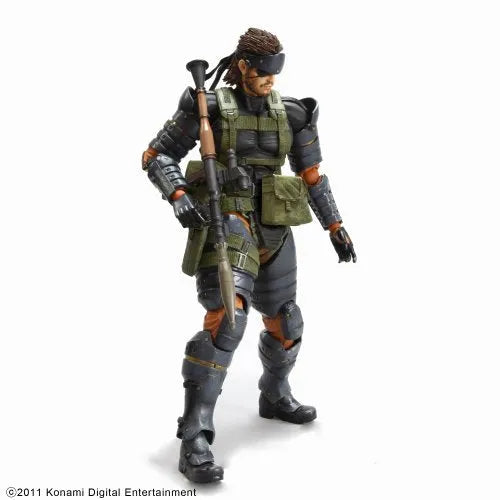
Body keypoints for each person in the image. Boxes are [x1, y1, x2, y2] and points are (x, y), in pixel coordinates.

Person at [142, 27, 356, 483]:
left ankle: (274, 394)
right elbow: (156, 155)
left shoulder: (294, 113)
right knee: (227, 320)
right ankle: (194, 436)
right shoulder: (209, 106)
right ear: (243, 67)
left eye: (275, 73)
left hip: (275, 225)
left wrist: (335, 225)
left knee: (288, 322)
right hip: (228, 221)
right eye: (262, 73)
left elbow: (312, 175)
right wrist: (178, 194)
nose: (270, 81)